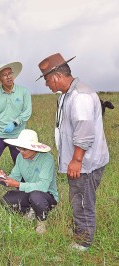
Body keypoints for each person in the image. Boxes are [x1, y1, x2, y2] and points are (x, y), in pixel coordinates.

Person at [37, 53, 109, 251]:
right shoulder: (68, 94)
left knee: (83, 200)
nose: (46, 85)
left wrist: (76, 160)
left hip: (85, 163)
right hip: (79, 161)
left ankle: (83, 242)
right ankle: (80, 230)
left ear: (57, 76)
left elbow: (84, 132)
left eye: (46, 80)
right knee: (78, 197)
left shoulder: (80, 96)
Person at [0, 129, 58, 235]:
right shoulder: (20, 157)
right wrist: (5, 178)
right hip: (29, 192)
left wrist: (17, 184)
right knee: (6, 199)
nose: (20, 151)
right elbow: (14, 176)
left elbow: (43, 186)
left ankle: (42, 222)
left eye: (24, 149)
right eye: (19, 148)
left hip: (47, 195)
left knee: (36, 196)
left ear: (33, 148)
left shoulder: (47, 159)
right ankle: (30, 211)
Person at [0, 62, 32, 170]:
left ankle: (22, 185)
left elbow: (27, 112)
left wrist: (14, 123)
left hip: (17, 135)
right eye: (5, 75)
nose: (8, 77)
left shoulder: (24, 92)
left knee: (21, 162)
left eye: (10, 73)